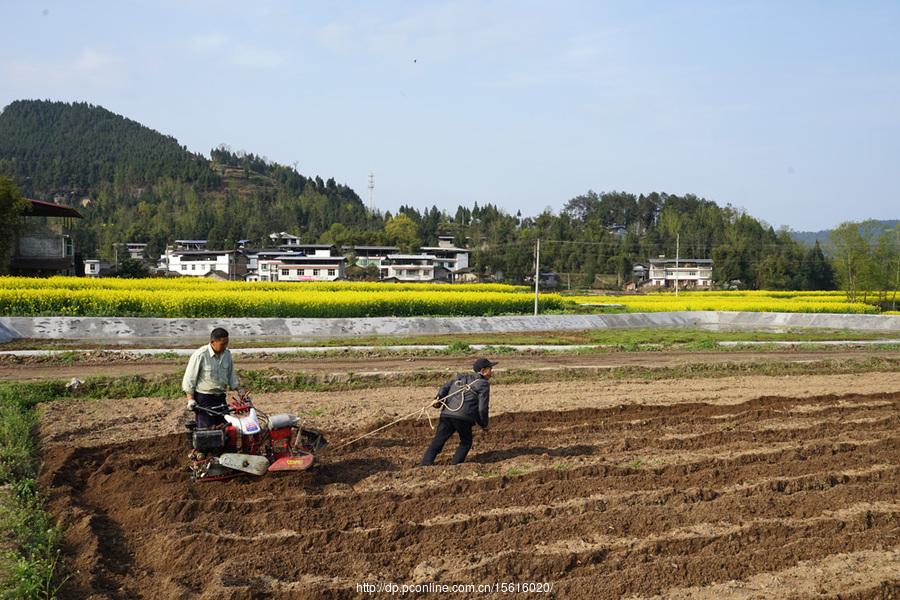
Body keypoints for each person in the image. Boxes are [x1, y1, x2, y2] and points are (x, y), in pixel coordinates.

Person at [420, 357, 496, 466]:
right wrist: (483, 424)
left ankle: (425, 464)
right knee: (466, 442)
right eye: (490, 369)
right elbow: (482, 408)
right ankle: (455, 465)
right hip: (464, 418)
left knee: (438, 440)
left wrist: (438, 398)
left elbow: (445, 387)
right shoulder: (483, 384)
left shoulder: (460, 377)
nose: (492, 372)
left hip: (446, 414)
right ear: (483, 371)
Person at [182, 327, 241, 428]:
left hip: (220, 397)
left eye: (227, 343)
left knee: (226, 428)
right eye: (222, 344)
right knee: (207, 431)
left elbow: (231, 375)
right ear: (212, 342)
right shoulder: (200, 355)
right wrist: (190, 399)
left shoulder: (227, 354)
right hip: (204, 399)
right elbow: (189, 379)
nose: (225, 346)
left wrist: (239, 391)